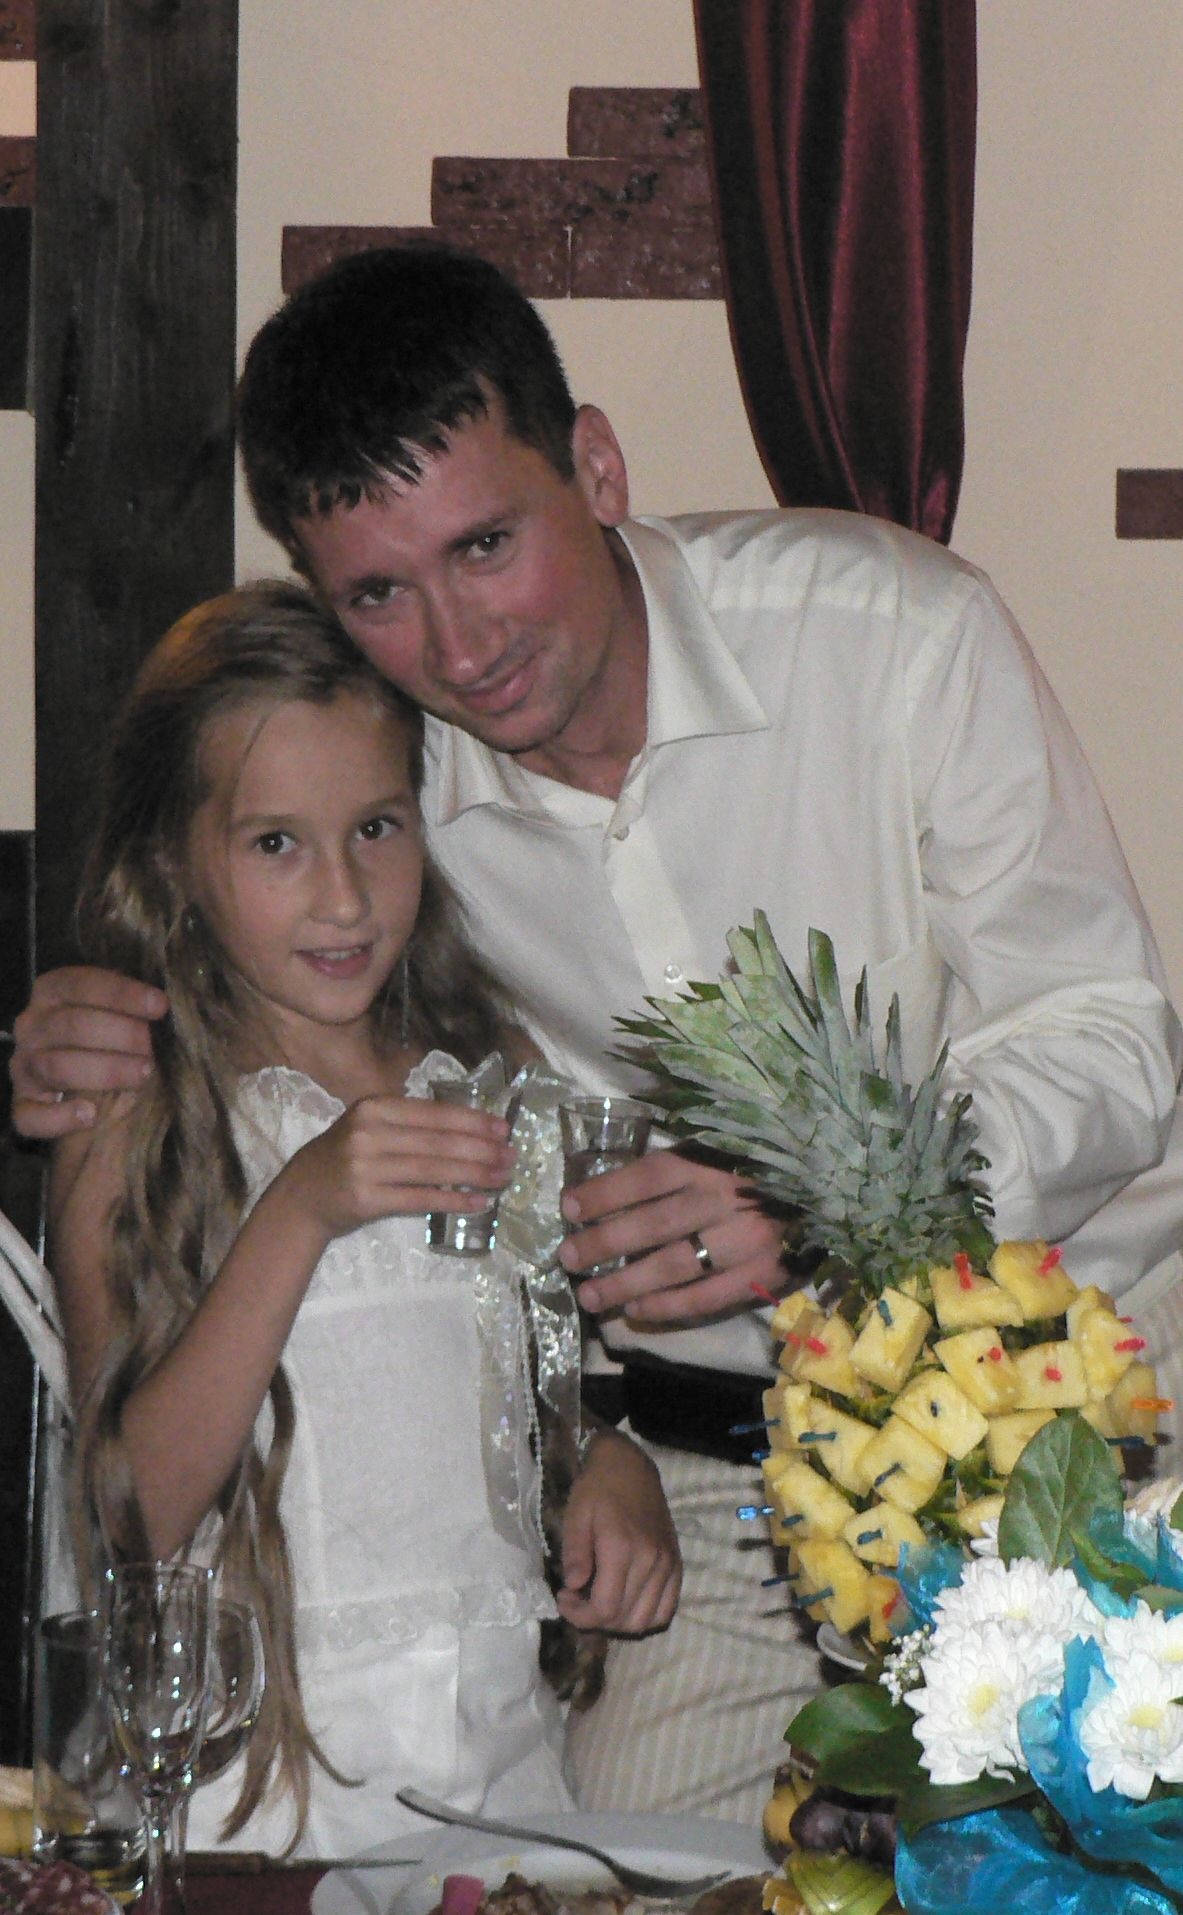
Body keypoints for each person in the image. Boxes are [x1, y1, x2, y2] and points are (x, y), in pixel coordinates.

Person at [14, 244, 1183, 1821]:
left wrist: (825, 1194)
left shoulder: (888, 633)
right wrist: (97, 1017)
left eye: (485, 543)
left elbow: (1107, 1036)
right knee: (615, 1849)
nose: (457, 643)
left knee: (1105, 1829)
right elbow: (240, 891)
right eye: (378, 594)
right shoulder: (386, 795)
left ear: (598, 467)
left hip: (1082, 1372)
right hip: (721, 1462)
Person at [46, 579, 680, 1859]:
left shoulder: (490, 1071)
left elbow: (525, 1389)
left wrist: (608, 1464)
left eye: (376, 828)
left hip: (498, 1775)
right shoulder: (131, 1108)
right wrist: (302, 1207)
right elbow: (134, 1513)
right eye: (275, 844)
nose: (343, 896)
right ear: (173, 862)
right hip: (251, 1803)